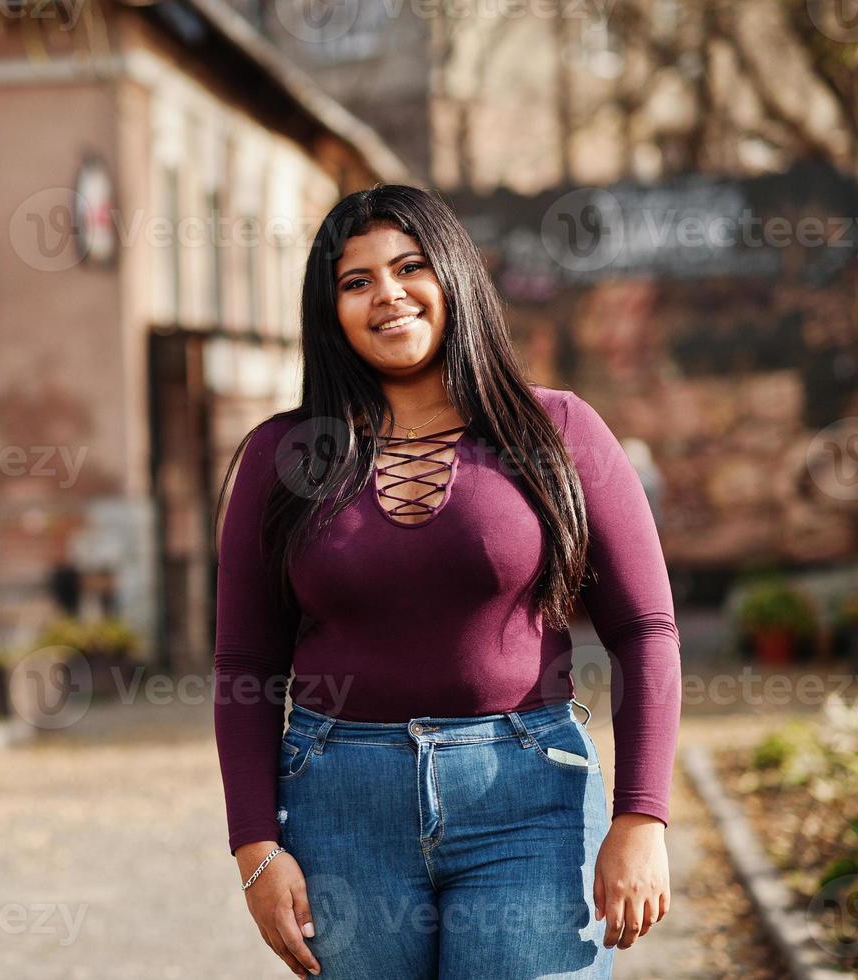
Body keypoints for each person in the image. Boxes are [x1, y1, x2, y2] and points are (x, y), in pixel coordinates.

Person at [212, 184, 681, 980]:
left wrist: (641, 817)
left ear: (453, 276)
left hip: (529, 798)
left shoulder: (557, 430)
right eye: (354, 282)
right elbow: (244, 666)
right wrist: (256, 848)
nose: (386, 295)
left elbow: (644, 630)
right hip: (337, 806)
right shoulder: (282, 455)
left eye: (408, 267)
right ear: (329, 312)